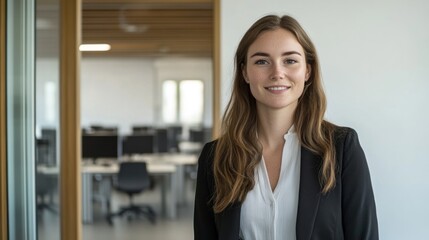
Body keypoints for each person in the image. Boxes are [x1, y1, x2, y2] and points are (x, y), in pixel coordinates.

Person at [194, 14, 378, 240]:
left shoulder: (341, 148)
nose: (277, 73)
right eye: (262, 61)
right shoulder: (215, 157)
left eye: (290, 60)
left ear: (307, 71)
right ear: (244, 73)